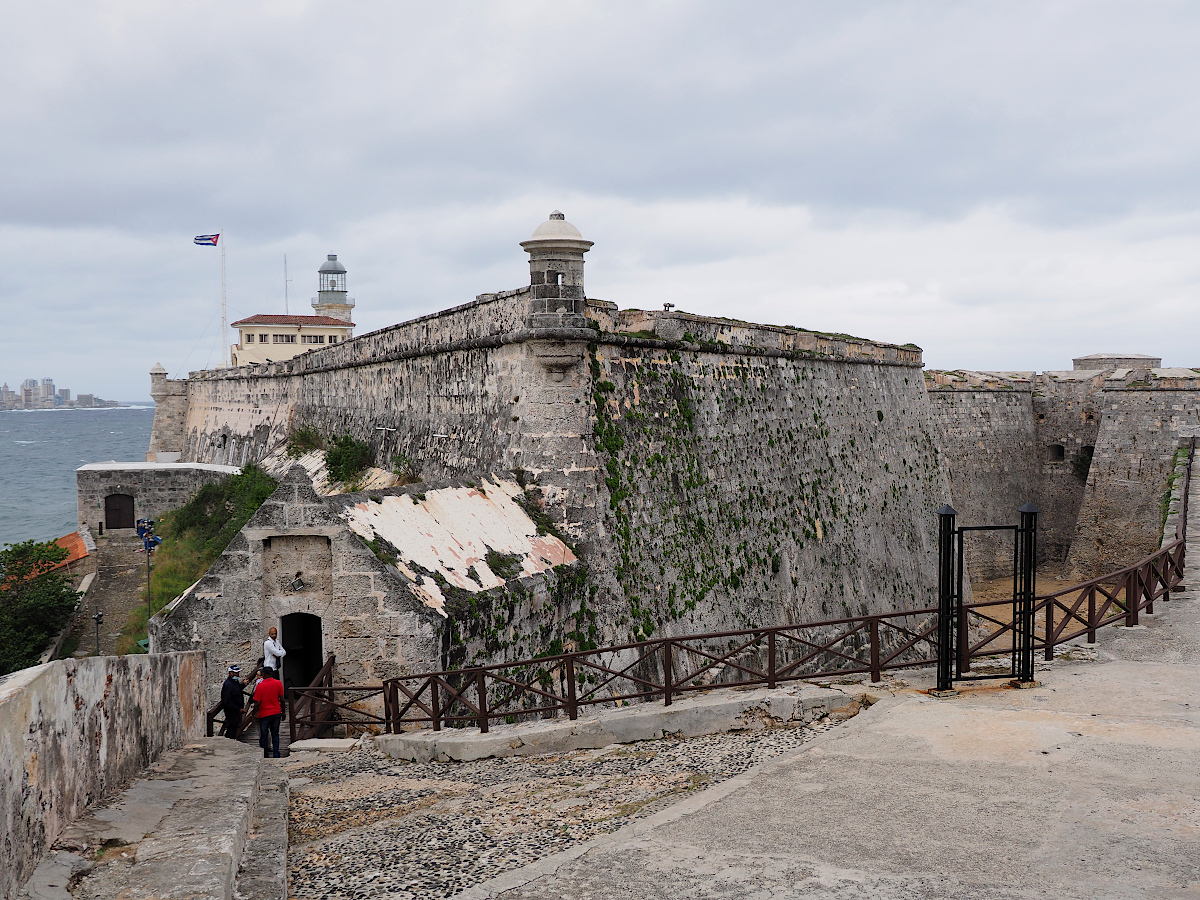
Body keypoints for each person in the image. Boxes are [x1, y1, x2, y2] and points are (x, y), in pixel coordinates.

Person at [252, 666, 286, 758]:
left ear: (263, 674)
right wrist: (283, 712)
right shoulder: (278, 683)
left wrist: (253, 713)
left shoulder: (260, 686)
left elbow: (257, 702)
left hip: (264, 713)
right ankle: (276, 753)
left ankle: (265, 754)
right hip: (276, 711)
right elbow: (282, 699)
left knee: (264, 735)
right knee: (275, 734)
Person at [219, 664, 245, 739]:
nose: (237, 674)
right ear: (231, 673)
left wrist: (243, 684)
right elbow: (227, 701)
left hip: (236, 711)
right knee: (231, 729)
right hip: (231, 711)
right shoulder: (228, 684)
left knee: (235, 727)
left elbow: (237, 690)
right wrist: (238, 709)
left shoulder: (234, 682)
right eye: (236, 673)